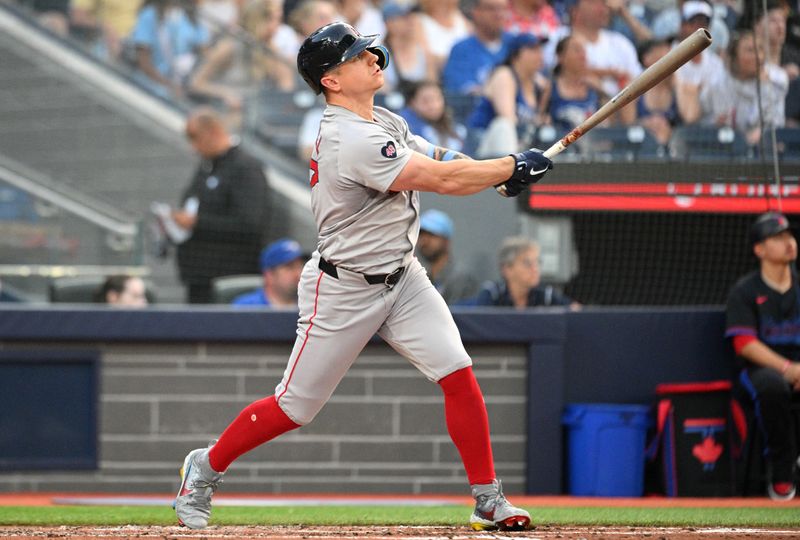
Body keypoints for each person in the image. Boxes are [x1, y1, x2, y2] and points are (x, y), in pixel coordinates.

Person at [173, 21, 553, 531]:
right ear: (330, 79)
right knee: (294, 407)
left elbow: (440, 158)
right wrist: (507, 166)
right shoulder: (348, 138)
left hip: (403, 276)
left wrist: (498, 176)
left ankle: (488, 498)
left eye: (369, 50)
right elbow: (439, 180)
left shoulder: (383, 120)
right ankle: (205, 468)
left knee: (458, 374)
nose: (374, 57)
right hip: (344, 285)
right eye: (357, 55)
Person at [725, 212, 800, 501]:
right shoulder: (745, 291)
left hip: (797, 367)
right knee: (771, 386)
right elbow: (744, 344)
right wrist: (787, 369)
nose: (788, 243)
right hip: (760, 370)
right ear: (759, 249)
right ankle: (782, 473)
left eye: (789, 236)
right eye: (778, 238)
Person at [173, 107, 270, 303]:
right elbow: (191, 200)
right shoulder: (207, 166)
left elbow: (250, 224)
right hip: (199, 277)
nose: (193, 147)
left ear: (213, 131)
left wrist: (198, 223)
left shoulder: (245, 167)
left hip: (228, 279)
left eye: (195, 138)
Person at [188, 0, 295, 113]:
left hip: (249, 117)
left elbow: (286, 87)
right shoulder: (230, 46)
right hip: (217, 111)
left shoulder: (267, 51)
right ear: (257, 20)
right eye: (271, 20)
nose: (275, 27)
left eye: (279, 20)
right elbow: (196, 84)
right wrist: (225, 94)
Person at [468, 32, 549, 158]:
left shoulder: (540, 84)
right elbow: (509, 119)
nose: (539, 55)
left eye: (540, 49)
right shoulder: (504, 75)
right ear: (515, 55)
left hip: (516, 147)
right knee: (504, 126)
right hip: (481, 150)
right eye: (533, 49)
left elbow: (542, 121)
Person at [471, 236, 579, 309]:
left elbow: (575, 310)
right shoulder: (492, 294)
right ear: (507, 269)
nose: (535, 269)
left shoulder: (545, 295)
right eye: (527, 263)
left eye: (537, 262)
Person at [130, 0, 210, 98]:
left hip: (181, 87)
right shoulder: (150, 15)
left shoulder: (192, 20)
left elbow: (205, 54)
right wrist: (168, 85)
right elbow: (143, 60)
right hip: (148, 86)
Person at [441, 0, 515, 96]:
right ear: (476, 12)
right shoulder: (461, 50)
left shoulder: (516, 45)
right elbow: (458, 91)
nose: (499, 14)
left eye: (503, 9)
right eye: (491, 9)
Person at [416, 209, 479, 304]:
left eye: (431, 235)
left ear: (446, 241)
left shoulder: (461, 278)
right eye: (421, 235)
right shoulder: (421, 277)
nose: (425, 241)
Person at [232, 238, 305, 306]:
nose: (298, 273)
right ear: (269, 275)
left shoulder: (311, 306)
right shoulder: (245, 307)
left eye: (300, 266)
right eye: (290, 267)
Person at [399, 80, 466, 152]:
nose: (433, 106)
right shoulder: (404, 128)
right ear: (412, 103)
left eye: (437, 99)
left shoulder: (456, 127)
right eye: (426, 101)